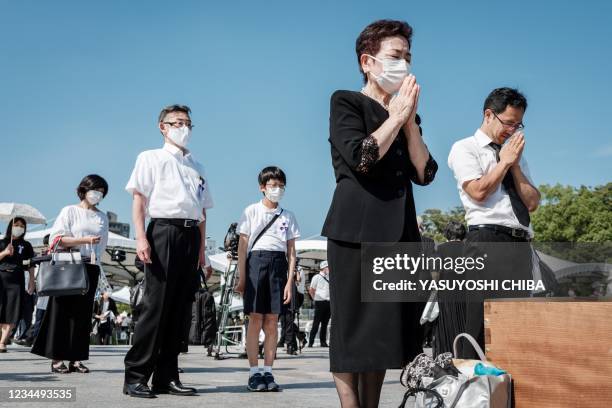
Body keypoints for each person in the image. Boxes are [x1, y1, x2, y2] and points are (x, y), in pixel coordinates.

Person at [321, 19, 438, 407]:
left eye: (407, 57)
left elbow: (425, 172)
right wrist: (395, 117)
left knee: (383, 335)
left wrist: (409, 123)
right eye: (395, 56)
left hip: (400, 234)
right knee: (353, 333)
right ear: (367, 61)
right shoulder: (346, 102)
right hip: (356, 230)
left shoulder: (407, 116)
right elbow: (362, 157)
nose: (403, 64)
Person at [123, 104, 213, 398]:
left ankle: (167, 375)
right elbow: (139, 200)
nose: (183, 128)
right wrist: (140, 238)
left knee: (179, 309)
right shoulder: (150, 157)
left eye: (188, 123)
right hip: (162, 231)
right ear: (163, 127)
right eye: (177, 123)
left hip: (190, 235)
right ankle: (136, 375)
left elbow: (201, 211)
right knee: (156, 306)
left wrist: (202, 252)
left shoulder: (197, 165)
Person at [447, 87, 540, 357]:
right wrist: (503, 163)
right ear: (489, 115)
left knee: (516, 323)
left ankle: (506, 391)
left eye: (518, 124)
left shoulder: (516, 157)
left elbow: (532, 202)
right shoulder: (465, 148)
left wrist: (515, 166)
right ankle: (471, 392)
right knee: (479, 323)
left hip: (520, 242)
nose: (513, 130)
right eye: (508, 123)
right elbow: (477, 192)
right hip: (487, 239)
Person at [31, 174, 109, 374]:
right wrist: (84, 241)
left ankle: (77, 358)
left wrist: (96, 264)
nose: (97, 195)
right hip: (68, 265)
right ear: (83, 190)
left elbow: (102, 245)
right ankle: (57, 358)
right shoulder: (70, 211)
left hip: (90, 266)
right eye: (94, 190)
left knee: (83, 316)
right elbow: (55, 240)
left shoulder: (102, 216)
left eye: (101, 192)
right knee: (62, 312)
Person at [235, 166, 300, 392]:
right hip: (255, 262)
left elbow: (292, 252)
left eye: (281, 186)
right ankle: (254, 373)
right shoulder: (251, 211)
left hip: (278, 264)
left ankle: (269, 371)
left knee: (272, 321)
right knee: (255, 320)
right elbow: (242, 248)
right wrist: (242, 277)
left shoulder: (288, 215)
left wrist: (290, 282)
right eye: (273, 186)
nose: (277, 190)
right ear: (262, 188)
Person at [0, 218, 35, 352]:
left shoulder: (26, 245)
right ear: (10, 226)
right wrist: (4, 253)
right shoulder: (2, 242)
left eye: (22, 226)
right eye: (16, 225)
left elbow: (31, 264)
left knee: (11, 310)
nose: (19, 227)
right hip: (1, 278)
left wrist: (32, 280)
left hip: (17, 280)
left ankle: (2, 342)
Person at [432, 221, 467, 356]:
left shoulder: (439, 249)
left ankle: (447, 359)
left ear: (447, 234)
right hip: (467, 294)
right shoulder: (470, 248)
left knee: (446, 328)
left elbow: (435, 276)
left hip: (446, 295)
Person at [308, 261, 330, 348]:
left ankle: (323, 342)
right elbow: (311, 290)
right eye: (328, 267)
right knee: (316, 323)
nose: (329, 269)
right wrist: (315, 299)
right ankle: (311, 342)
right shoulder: (316, 277)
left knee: (325, 323)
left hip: (328, 302)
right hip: (319, 302)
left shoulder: (329, 277)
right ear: (324, 268)